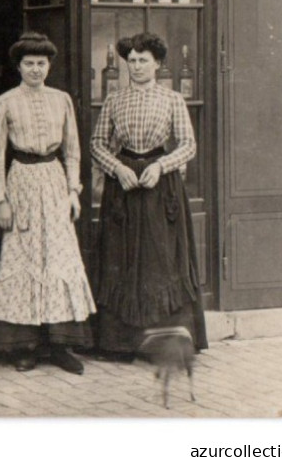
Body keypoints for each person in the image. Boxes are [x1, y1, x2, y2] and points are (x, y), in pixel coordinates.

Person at [0, 31, 96, 373]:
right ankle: (22, 345)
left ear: (49, 66)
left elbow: (73, 150)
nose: (36, 70)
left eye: (41, 63)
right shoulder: (5, 102)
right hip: (22, 180)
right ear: (19, 66)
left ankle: (59, 344)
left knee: (57, 255)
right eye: (29, 63)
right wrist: (1, 199)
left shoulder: (62, 100)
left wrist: (74, 191)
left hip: (54, 181)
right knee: (23, 255)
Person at [91, 32, 208, 357]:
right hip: (124, 184)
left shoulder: (172, 100)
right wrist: (118, 169)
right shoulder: (114, 100)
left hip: (161, 186)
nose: (137, 66)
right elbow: (97, 143)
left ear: (157, 64)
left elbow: (188, 144)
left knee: (162, 260)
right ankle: (120, 343)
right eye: (132, 60)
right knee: (122, 257)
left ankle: (166, 342)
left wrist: (161, 166)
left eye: (144, 60)